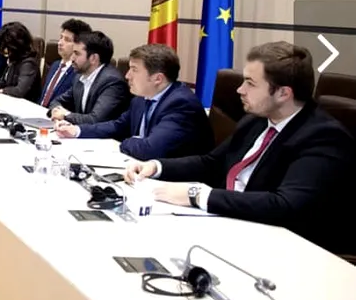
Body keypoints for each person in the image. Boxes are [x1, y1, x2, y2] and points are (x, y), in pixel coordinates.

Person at [125, 42, 355, 255]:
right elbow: (212, 163)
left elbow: (284, 205)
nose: (240, 90)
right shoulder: (256, 120)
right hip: (230, 224)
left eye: (250, 83)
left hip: (283, 246)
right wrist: (156, 167)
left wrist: (198, 195)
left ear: (283, 93)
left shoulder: (323, 136)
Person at [56, 43, 212, 160]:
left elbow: (149, 150)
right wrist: (77, 131)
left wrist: (126, 142)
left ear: (158, 78)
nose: (127, 76)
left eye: (134, 70)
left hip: (177, 184)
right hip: (141, 169)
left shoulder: (181, 104)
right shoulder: (141, 98)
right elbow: (118, 126)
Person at [48, 30, 129, 125]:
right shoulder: (80, 77)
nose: (72, 58)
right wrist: (56, 111)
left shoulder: (112, 82)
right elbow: (56, 101)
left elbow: (95, 120)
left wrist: (65, 115)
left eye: (77, 53)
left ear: (93, 58)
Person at [0, 21, 42, 101]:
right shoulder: (14, 60)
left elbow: (20, 91)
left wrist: (1, 91)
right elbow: (3, 82)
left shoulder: (28, 63)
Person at [38, 18, 91, 107]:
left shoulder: (79, 72)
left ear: (79, 45)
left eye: (67, 40)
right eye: (61, 37)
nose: (60, 43)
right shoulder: (55, 65)